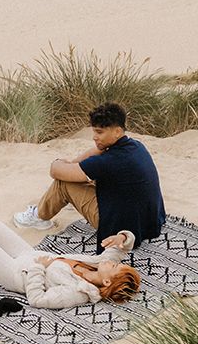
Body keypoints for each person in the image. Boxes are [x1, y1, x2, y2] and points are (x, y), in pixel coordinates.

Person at [13, 102, 166, 252]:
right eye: (94, 132)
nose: (94, 137)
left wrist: (60, 163)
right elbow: (87, 159)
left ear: (118, 132)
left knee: (63, 183)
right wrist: (74, 163)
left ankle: (39, 217)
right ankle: (57, 204)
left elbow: (56, 172)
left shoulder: (107, 161)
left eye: (99, 132)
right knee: (83, 177)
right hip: (148, 223)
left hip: (120, 231)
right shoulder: (136, 146)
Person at [0, 215, 140, 308]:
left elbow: (37, 300)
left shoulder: (78, 293)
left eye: (115, 268)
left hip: (16, 274)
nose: (114, 262)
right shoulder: (97, 264)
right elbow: (122, 249)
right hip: (27, 254)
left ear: (107, 283)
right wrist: (123, 237)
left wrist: (38, 268)